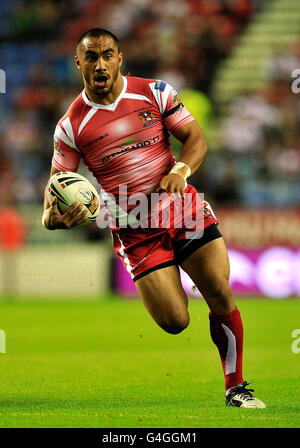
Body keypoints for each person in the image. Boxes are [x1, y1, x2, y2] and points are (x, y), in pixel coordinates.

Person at [42, 28, 265, 408]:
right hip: (135, 230)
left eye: (107, 55)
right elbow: (52, 197)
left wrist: (180, 170)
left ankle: (236, 388)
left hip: (183, 211)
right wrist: (55, 220)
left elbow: (196, 139)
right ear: (78, 62)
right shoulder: (70, 127)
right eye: (91, 57)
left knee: (220, 292)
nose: (100, 64)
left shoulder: (154, 92)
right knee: (175, 322)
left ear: (120, 57)